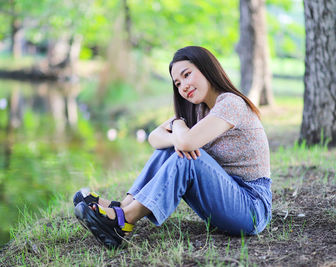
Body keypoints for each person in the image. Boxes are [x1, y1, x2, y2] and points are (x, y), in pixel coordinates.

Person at [74, 46, 272, 249]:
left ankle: (123, 220)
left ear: (207, 68)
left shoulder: (230, 103)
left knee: (185, 156)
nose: (183, 86)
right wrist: (178, 133)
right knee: (173, 149)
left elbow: (185, 143)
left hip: (252, 208)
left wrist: (177, 125)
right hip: (228, 200)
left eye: (187, 75)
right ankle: (122, 207)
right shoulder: (201, 110)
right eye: (177, 83)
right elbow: (154, 138)